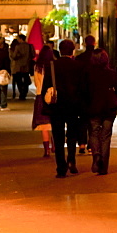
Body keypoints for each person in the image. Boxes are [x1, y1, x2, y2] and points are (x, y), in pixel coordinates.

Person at [40, 39, 87, 178]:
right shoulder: (79, 66)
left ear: (59, 50)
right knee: (72, 134)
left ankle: (61, 167)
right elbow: (83, 88)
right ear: (73, 50)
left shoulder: (52, 66)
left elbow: (45, 88)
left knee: (58, 136)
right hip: (74, 105)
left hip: (57, 106)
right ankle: (71, 160)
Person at [86, 48, 117, 175]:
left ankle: (96, 154)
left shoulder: (88, 73)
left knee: (94, 132)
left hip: (93, 106)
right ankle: (104, 167)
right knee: (106, 136)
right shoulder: (111, 73)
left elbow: (83, 90)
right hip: (109, 107)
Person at [72, 35, 97, 154]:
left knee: (82, 120)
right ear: (94, 43)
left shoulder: (79, 58)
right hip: (95, 93)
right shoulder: (98, 57)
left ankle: (82, 143)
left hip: (81, 93)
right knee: (93, 121)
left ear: (84, 43)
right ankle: (91, 145)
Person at [31, 43, 57, 157]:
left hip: (40, 95)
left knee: (44, 125)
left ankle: (46, 149)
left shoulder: (37, 67)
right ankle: (55, 146)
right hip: (52, 95)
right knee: (54, 123)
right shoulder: (54, 65)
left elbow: (36, 83)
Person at [10, 33, 36, 100]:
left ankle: (21, 93)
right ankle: (24, 93)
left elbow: (14, 56)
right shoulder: (30, 46)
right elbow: (33, 55)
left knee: (19, 81)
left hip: (19, 66)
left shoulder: (18, 46)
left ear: (21, 39)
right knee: (26, 80)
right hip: (27, 65)